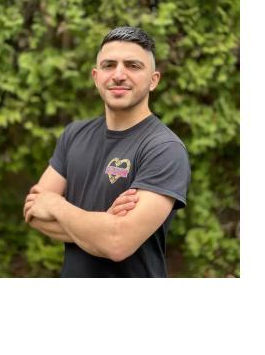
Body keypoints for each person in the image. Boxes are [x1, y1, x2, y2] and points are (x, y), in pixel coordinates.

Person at [22, 26, 191, 277]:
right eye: (109, 65)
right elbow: (33, 213)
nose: (119, 75)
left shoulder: (164, 149)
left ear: (153, 80)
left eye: (133, 66)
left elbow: (117, 244)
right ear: (96, 76)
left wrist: (56, 205)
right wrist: (102, 225)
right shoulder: (74, 134)